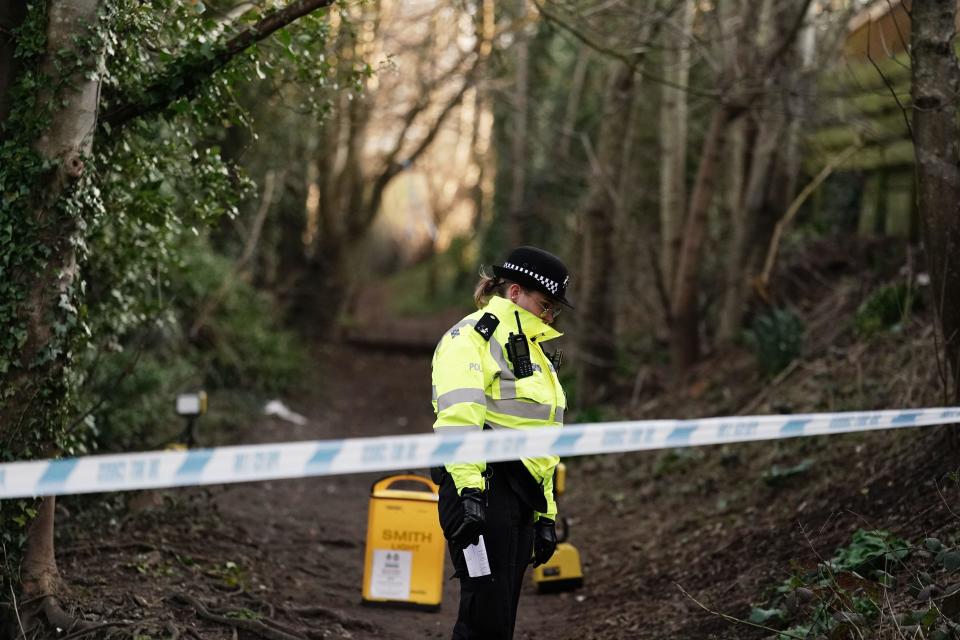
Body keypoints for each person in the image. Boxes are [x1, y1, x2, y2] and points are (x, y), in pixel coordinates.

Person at [430, 246, 572, 640]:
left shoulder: (536, 354)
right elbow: (459, 421)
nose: (550, 316)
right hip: (480, 490)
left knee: (501, 618)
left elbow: (541, 443)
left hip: (522, 498)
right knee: (483, 619)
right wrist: (469, 494)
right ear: (514, 293)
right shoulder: (469, 339)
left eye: (555, 309)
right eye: (545, 305)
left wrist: (546, 514)